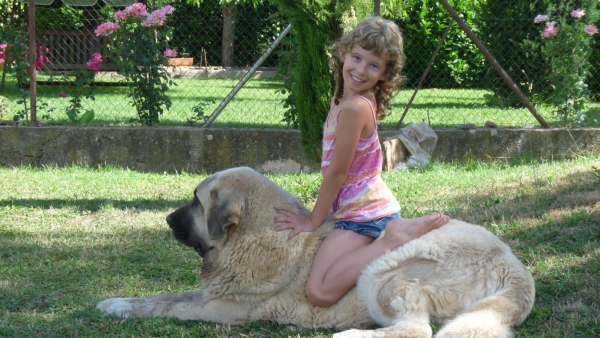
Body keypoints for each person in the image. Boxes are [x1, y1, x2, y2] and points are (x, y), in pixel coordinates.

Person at [274, 16, 450, 308]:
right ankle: (388, 234)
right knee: (319, 282)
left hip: (365, 219)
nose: (360, 69)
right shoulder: (343, 98)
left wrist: (313, 221)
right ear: (343, 53)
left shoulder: (355, 107)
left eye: (373, 65)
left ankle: (393, 238)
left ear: (384, 73)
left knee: (318, 292)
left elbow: (337, 173)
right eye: (356, 58)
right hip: (353, 213)